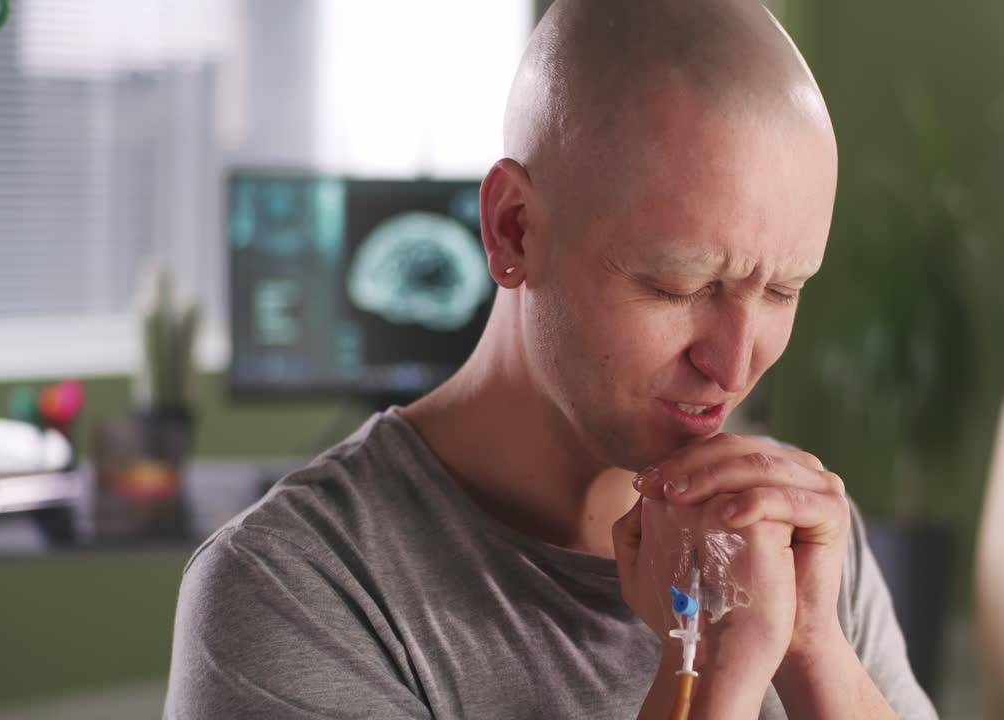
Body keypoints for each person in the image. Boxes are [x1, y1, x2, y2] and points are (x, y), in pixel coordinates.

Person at [164, 1, 938, 718]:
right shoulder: (295, 591)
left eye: (782, 291)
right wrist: (710, 673)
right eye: (679, 285)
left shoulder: (798, 537)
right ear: (514, 230)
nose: (734, 364)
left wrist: (811, 644)